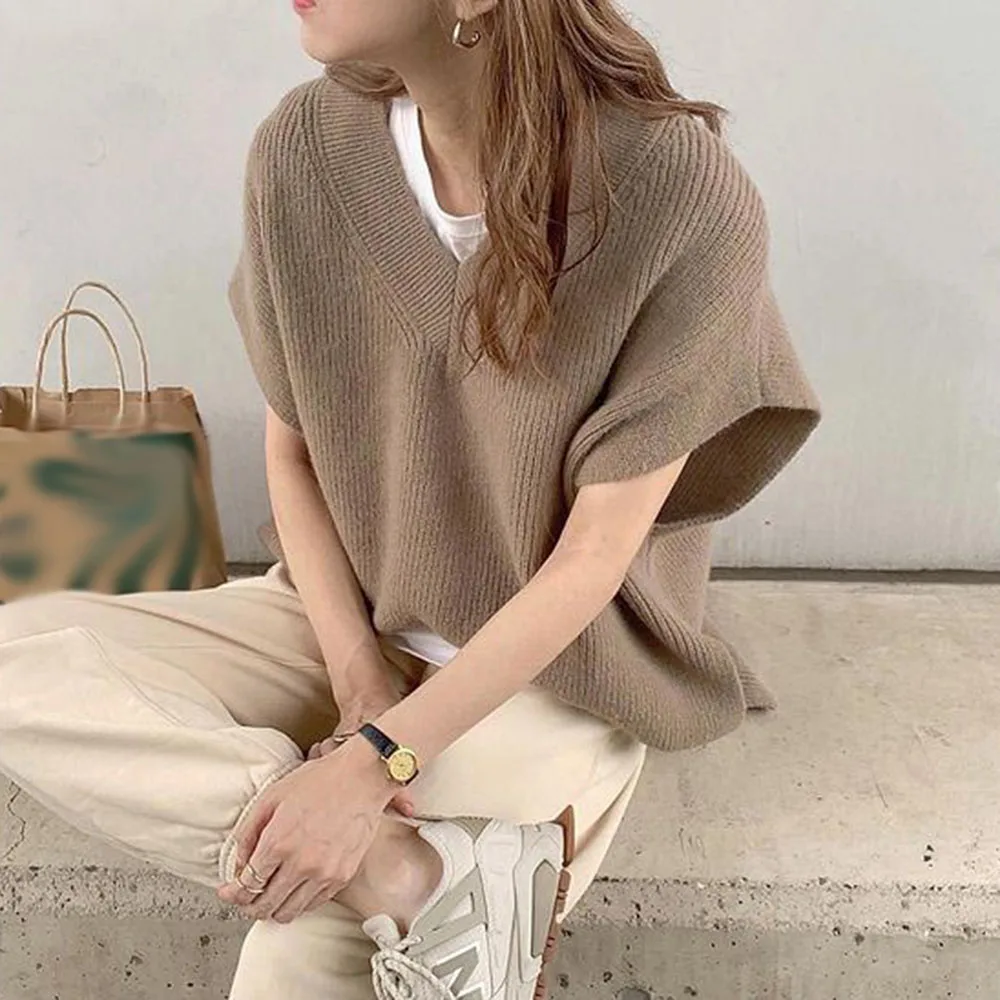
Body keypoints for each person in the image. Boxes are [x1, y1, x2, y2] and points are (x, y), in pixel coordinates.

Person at [0, 1, 821, 997]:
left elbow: (593, 559)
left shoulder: (675, 194)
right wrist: (358, 691)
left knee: (303, 949)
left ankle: (393, 864)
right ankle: (413, 872)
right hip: (345, 619)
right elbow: (295, 456)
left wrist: (374, 763)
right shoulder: (305, 150)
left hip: (552, 669)